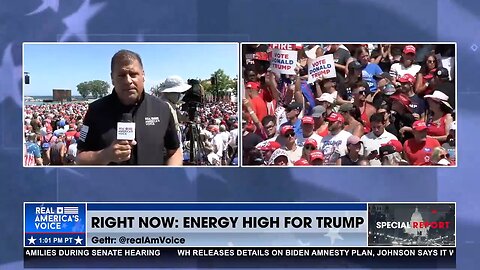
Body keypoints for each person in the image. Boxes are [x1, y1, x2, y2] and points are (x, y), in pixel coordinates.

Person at [76, 50, 182, 165]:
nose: (128, 81)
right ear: (112, 78)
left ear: (143, 75)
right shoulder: (95, 111)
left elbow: (174, 151)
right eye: (121, 75)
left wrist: (170, 176)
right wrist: (105, 155)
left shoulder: (162, 109)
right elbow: (80, 158)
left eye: (133, 74)